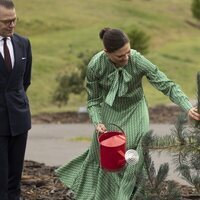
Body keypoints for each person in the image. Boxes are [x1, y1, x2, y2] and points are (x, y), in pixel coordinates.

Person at [56, 27, 200, 200]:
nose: (126, 57)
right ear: (106, 52)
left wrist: (187, 106)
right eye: (120, 55)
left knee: (130, 152)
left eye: (127, 52)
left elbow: (166, 84)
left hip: (135, 109)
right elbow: (93, 100)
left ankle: (126, 195)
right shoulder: (96, 65)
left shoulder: (136, 60)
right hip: (110, 109)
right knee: (103, 153)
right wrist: (97, 121)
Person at [0, 0, 32, 199]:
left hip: (19, 120)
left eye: (14, 20)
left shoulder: (23, 43)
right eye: (6, 22)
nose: (12, 25)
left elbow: (25, 80)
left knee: (14, 178)